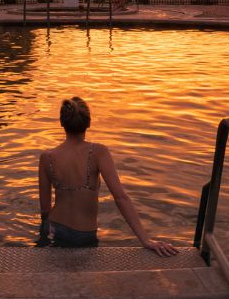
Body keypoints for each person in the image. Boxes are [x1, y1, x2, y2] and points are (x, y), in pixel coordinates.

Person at [37, 97, 178, 255]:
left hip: (54, 229)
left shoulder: (46, 157)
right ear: (88, 123)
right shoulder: (98, 152)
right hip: (84, 235)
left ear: (62, 123)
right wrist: (146, 240)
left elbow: (45, 209)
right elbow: (120, 198)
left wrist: (43, 237)